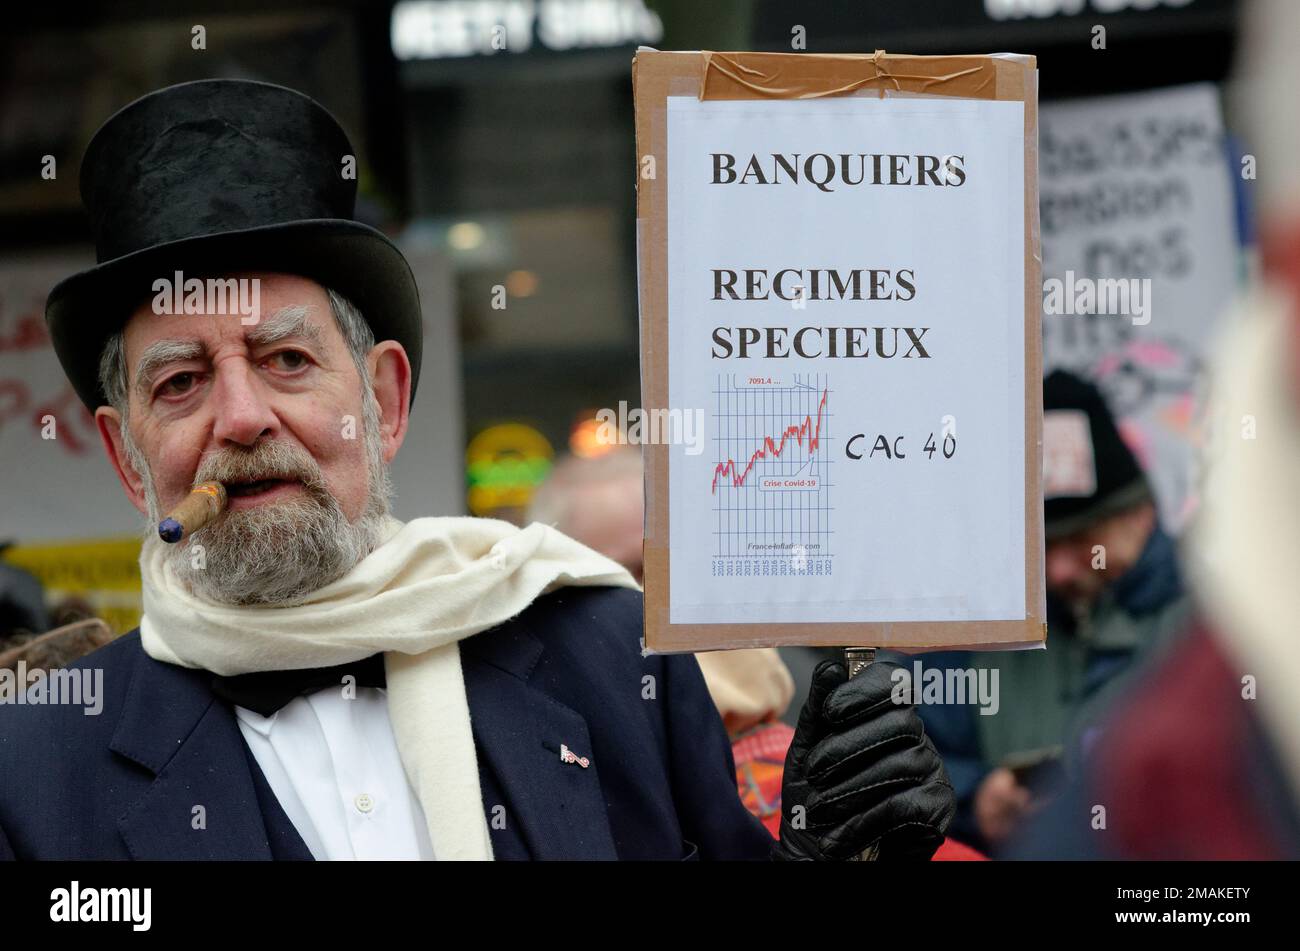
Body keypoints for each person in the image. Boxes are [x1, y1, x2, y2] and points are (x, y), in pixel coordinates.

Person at [0, 79, 953, 861]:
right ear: (129, 458)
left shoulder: (613, 660)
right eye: (182, 381)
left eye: (288, 360)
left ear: (384, 402)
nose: (242, 416)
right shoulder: (33, 772)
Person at [886, 370, 1190, 855]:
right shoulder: (974, 624)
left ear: (1140, 512)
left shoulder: (1211, 622)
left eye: (1080, 538)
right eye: (1039, 544)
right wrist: (971, 797)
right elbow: (894, 753)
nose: (1058, 570)